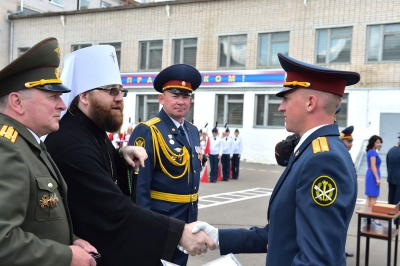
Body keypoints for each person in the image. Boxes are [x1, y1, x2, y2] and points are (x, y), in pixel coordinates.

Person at [44, 46, 215, 266]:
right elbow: (113, 205)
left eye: (121, 91)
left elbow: (104, 166)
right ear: (85, 96)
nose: (119, 98)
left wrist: (119, 154)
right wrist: (177, 232)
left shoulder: (91, 130)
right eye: (111, 91)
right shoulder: (71, 141)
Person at [193, 53, 360, 266]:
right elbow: (283, 233)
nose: (281, 107)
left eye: (286, 98)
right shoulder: (312, 151)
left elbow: (317, 260)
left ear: (310, 103)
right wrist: (218, 236)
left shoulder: (323, 159)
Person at [0, 37, 97, 266]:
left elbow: (36, 224)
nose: (62, 105)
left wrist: (72, 242)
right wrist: (67, 256)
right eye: (53, 96)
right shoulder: (6, 148)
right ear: (17, 102)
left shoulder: (28, 143)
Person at [128, 63, 203, 266]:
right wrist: (145, 226)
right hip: (161, 219)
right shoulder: (148, 131)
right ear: (161, 99)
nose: (181, 101)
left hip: (188, 216)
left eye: (186, 96)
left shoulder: (193, 131)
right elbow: (140, 186)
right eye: (175, 95)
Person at [364, 135, 383, 226]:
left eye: (380, 142)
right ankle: (373, 218)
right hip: (373, 174)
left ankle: (367, 216)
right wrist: (377, 178)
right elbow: (373, 166)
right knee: (374, 197)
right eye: (377, 142)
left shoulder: (371, 152)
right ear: (373, 143)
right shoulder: (373, 153)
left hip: (370, 174)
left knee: (369, 197)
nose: (379, 144)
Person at [387, 133, 400, 225]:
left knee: (391, 199)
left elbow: (388, 164)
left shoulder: (391, 150)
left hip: (391, 177)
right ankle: (396, 220)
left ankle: (389, 216)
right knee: (398, 201)